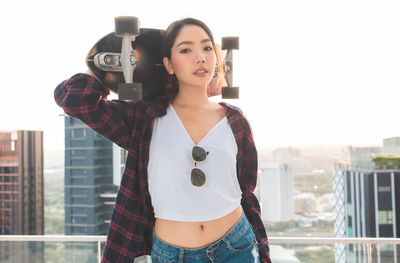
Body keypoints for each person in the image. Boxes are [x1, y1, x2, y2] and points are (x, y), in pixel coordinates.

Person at [54, 17, 271, 263]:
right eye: (186, 49)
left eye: (207, 48)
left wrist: (261, 249)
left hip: (236, 246)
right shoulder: (143, 117)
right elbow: (75, 101)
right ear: (168, 64)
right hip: (173, 255)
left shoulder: (235, 119)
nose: (200, 57)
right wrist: (106, 64)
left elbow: (247, 192)